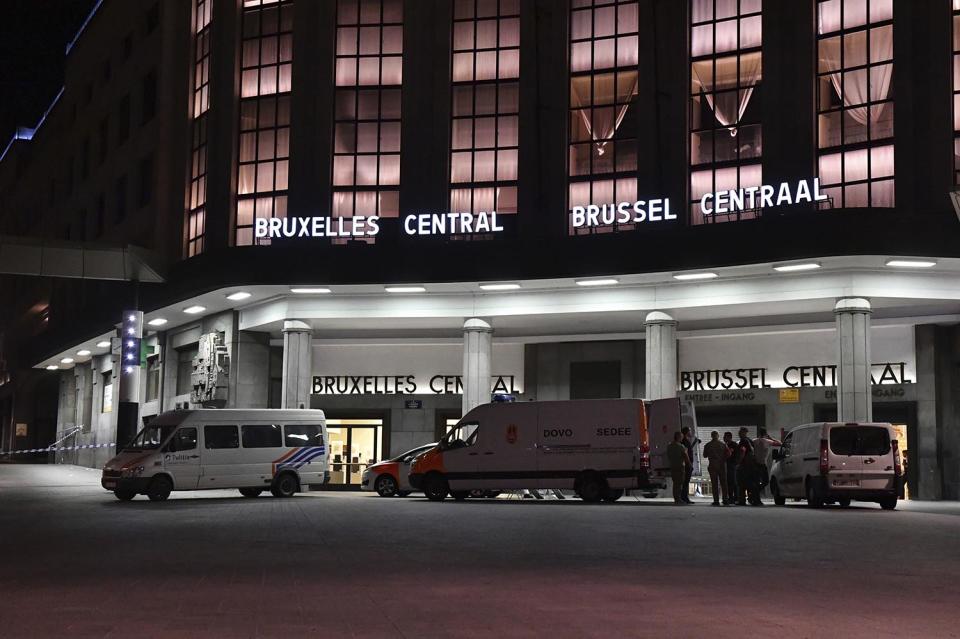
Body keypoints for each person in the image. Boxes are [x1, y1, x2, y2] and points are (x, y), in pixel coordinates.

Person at [736, 428, 762, 506]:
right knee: (752, 482)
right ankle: (755, 499)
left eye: (740, 432)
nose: (739, 434)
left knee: (742, 482)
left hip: (745, 465)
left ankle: (742, 500)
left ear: (744, 433)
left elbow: (742, 451)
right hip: (752, 464)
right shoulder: (750, 441)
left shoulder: (743, 441)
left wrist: (739, 462)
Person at [702, 431, 729, 506]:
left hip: (713, 465)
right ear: (718, 436)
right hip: (722, 465)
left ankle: (716, 501)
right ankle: (725, 499)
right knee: (724, 483)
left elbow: (704, 455)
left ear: (711, 436)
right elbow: (728, 454)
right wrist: (722, 458)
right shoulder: (723, 445)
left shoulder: (707, 445)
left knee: (714, 484)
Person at [753, 428, 782, 492]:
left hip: (755, 464)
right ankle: (755, 492)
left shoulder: (753, 441)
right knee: (765, 481)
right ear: (765, 434)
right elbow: (780, 444)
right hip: (762, 464)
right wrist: (771, 438)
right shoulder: (767, 441)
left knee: (756, 481)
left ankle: (754, 492)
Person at [667, 431, 692, 505]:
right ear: (678, 437)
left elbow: (668, 455)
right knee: (680, 483)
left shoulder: (670, 446)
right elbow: (685, 456)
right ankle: (678, 499)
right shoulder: (681, 446)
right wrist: (689, 464)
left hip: (673, 466)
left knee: (675, 483)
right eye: (681, 437)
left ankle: (676, 499)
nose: (682, 438)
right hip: (680, 466)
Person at [680, 426, 700, 504]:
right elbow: (685, 453)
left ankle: (684, 497)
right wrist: (689, 463)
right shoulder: (685, 441)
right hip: (687, 464)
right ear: (686, 432)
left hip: (687, 463)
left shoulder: (685, 441)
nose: (691, 432)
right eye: (690, 431)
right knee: (685, 481)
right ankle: (684, 498)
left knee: (685, 481)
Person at [723, 431, 739, 505]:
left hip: (732, 465)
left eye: (725, 436)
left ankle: (733, 498)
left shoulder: (733, 445)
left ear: (729, 437)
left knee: (731, 482)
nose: (723, 438)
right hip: (729, 465)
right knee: (731, 482)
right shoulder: (726, 444)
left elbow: (730, 454)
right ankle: (734, 498)